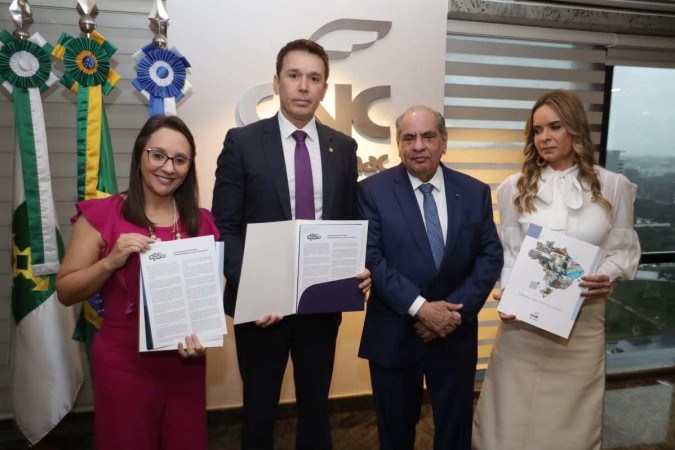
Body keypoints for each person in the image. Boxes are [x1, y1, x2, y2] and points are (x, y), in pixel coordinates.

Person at [211, 39, 371, 449]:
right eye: (294, 75)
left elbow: (349, 221)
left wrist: (360, 265)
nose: (303, 86)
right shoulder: (242, 143)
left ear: (323, 87)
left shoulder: (343, 147)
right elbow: (225, 227)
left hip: (320, 304)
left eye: (314, 78)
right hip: (261, 311)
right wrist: (254, 291)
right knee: (259, 413)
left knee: (316, 411)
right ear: (277, 82)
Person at [472, 90, 641, 450]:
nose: (544, 137)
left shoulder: (614, 186)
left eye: (555, 127)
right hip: (524, 326)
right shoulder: (513, 188)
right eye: (537, 130)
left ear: (575, 129)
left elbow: (621, 251)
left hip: (583, 324)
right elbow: (510, 254)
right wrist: (506, 290)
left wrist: (606, 276)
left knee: (571, 424)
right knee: (512, 419)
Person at [56, 115, 219, 450]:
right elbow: (66, 290)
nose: (168, 168)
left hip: (185, 363)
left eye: (179, 160)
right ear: (140, 155)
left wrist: (207, 333)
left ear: (189, 166)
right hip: (123, 365)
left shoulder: (202, 222)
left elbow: (211, 296)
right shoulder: (103, 215)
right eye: (157, 155)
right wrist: (110, 263)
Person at [357, 105, 503, 450]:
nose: (418, 145)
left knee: (454, 432)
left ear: (444, 141)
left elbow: (490, 255)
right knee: (395, 434)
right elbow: (371, 258)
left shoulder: (474, 191)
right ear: (398, 144)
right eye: (409, 138)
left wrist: (452, 314)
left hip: (454, 335)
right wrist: (422, 309)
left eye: (428, 136)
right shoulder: (371, 192)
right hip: (394, 334)